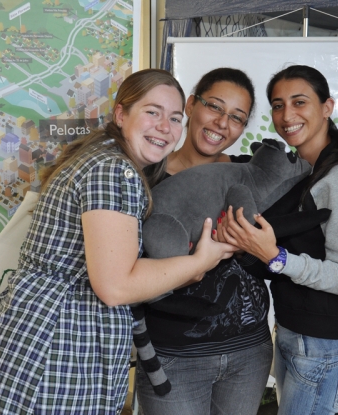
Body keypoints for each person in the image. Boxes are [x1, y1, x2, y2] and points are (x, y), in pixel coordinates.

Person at [0, 69, 237, 415]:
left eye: (175, 117)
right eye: (152, 112)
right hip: (51, 356)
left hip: (24, 346)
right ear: (121, 114)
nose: (165, 127)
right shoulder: (114, 171)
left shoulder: (97, 157)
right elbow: (115, 286)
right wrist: (201, 261)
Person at [215, 65, 338, 415]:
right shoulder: (302, 172)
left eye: (299, 102)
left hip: (321, 345)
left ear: (327, 107)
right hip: (294, 332)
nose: (286, 115)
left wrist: (276, 256)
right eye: (277, 105)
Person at [136, 68, 273, 415]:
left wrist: (251, 247)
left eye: (237, 117)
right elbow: (129, 269)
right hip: (174, 356)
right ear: (192, 104)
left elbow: (267, 264)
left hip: (249, 351)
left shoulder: (249, 174)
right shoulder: (146, 177)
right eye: (215, 106)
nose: (222, 123)